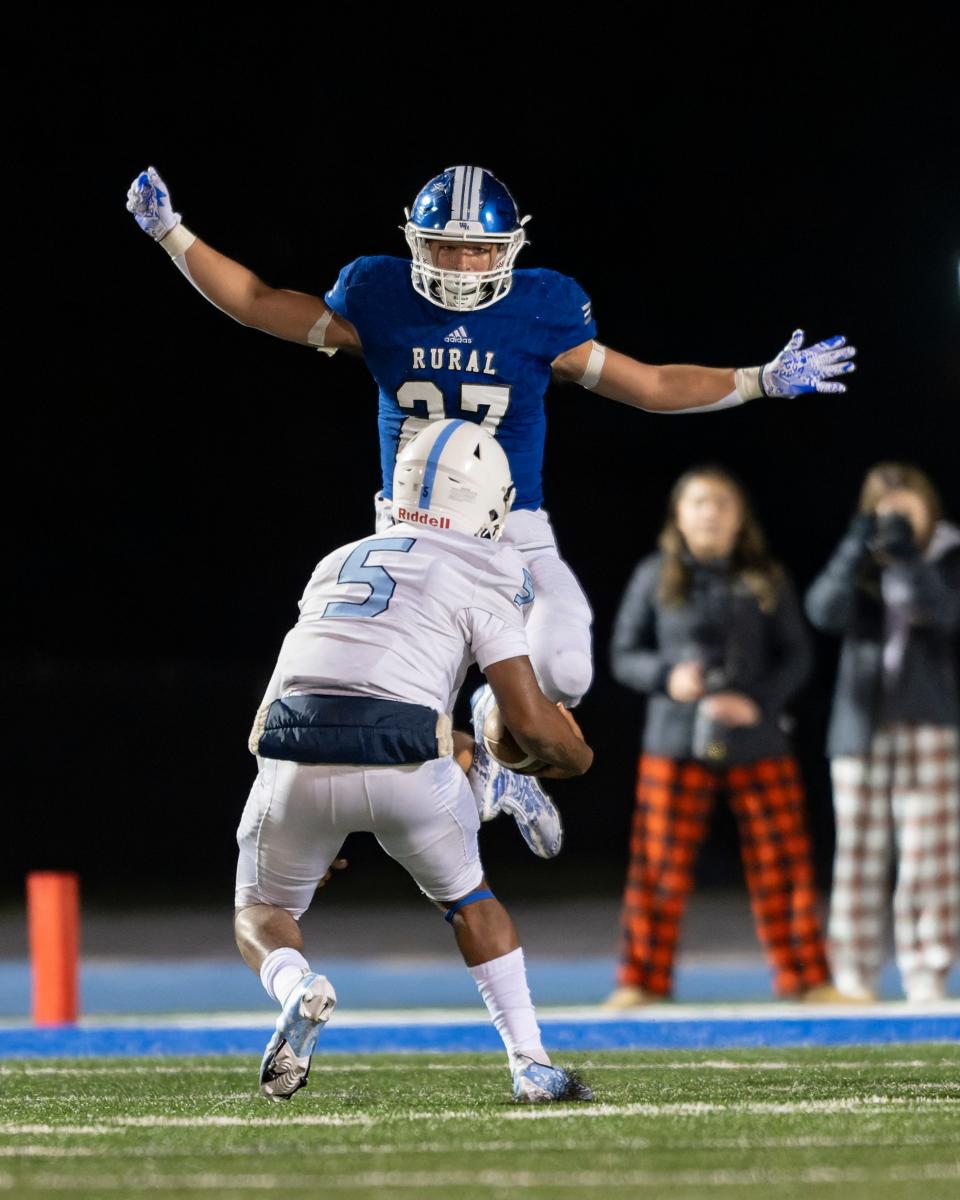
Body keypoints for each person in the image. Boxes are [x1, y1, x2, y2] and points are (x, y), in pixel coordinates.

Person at [126, 163, 855, 860]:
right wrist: (171, 233)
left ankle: (500, 754)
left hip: (515, 532)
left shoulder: (540, 309)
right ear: (415, 241)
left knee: (567, 671)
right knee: (391, 700)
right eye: (445, 245)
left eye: (478, 250)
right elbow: (257, 303)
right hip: (413, 539)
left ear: (507, 250)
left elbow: (651, 383)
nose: (462, 264)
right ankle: (325, 814)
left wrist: (759, 381)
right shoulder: (378, 298)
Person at [234, 419, 594, 1103]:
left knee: (262, 909)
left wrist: (321, 817)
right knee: (470, 901)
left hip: (292, 750)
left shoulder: (335, 559)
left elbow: (317, 675)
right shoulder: (487, 566)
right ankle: (531, 1063)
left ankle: (299, 986)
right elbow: (530, 718)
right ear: (489, 500)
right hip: (404, 759)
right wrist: (575, 757)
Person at [605, 467, 838, 1006]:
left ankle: (807, 979)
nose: (710, 512)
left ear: (739, 518)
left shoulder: (765, 576)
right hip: (677, 739)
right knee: (658, 864)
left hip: (755, 738)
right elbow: (622, 656)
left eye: (722, 503)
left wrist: (756, 701)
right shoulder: (654, 575)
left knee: (783, 862)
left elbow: (799, 658)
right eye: (699, 502)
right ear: (679, 515)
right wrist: (669, 677)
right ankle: (641, 982)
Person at [805, 463, 960, 1003]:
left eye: (906, 503)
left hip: (930, 724)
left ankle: (927, 969)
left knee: (930, 856)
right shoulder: (861, 557)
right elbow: (823, 611)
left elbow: (946, 615)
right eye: (885, 506)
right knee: (859, 857)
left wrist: (910, 556)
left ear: (928, 503)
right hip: (859, 726)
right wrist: (857, 544)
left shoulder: (948, 552)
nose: (896, 515)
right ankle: (854, 973)